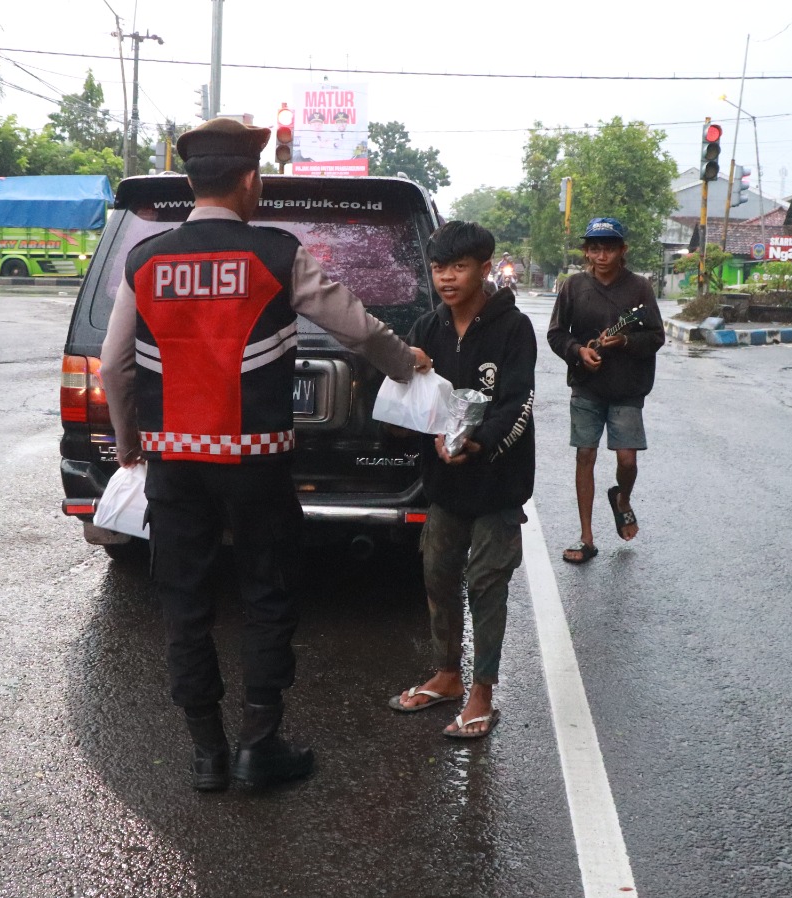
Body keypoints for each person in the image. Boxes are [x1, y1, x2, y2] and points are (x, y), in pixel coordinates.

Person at [100, 117, 432, 792]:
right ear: (250, 180)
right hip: (257, 467)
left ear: (193, 180)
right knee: (267, 595)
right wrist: (408, 362)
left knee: (186, 601)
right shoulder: (277, 254)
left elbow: (114, 366)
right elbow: (360, 328)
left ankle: (205, 755)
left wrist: (132, 447)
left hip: (173, 466)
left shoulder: (145, 259)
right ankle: (259, 746)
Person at [387, 221, 535, 740]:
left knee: (487, 585)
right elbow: (407, 399)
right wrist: (411, 369)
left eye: (459, 267)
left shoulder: (513, 329)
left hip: (497, 484)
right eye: (438, 267)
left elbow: (519, 404)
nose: (447, 278)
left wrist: (480, 442)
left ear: (484, 268)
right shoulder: (427, 328)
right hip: (443, 485)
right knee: (437, 576)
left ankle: (483, 691)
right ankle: (448, 674)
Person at [546, 217, 665, 564]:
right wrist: (578, 352)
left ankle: (622, 499)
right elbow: (556, 334)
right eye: (595, 248)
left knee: (627, 460)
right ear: (586, 251)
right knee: (585, 455)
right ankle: (586, 537)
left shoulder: (640, 288)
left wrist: (625, 340)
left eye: (609, 248)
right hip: (586, 386)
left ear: (622, 250)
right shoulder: (573, 286)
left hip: (628, 389)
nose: (601, 255)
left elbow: (656, 336)